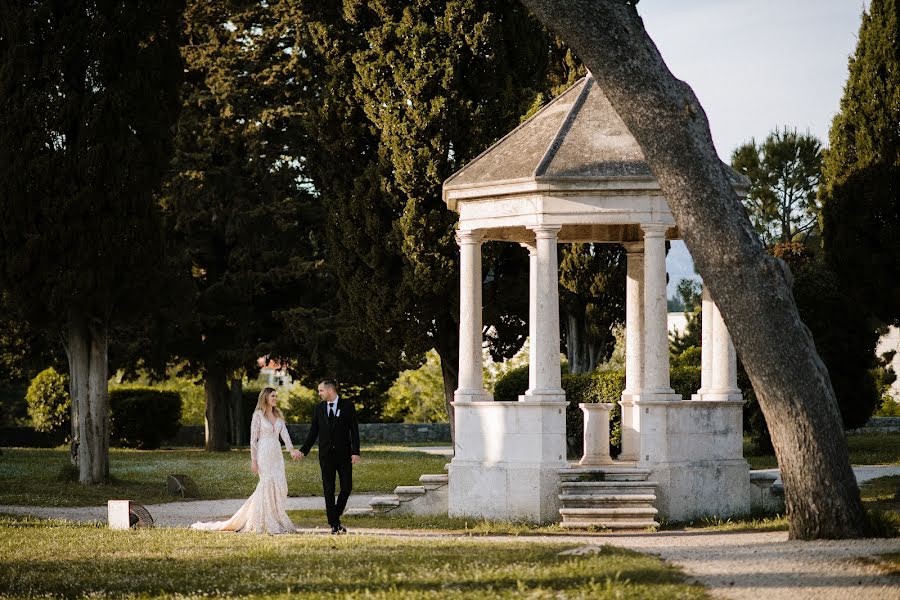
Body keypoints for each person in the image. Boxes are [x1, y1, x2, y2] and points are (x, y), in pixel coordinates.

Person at [190, 387, 300, 534]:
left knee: (280, 484)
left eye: (276, 396)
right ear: (265, 397)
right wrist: (253, 461)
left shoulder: (278, 415)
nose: (275, 398)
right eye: (273, 396)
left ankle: (276, 515)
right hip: (263, 454)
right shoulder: (258, 415)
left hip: (276, 455)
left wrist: (291, 450)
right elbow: (253, 440)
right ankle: (263, 520)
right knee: (266, 484)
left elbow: (285, 435)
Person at [298, 378, 360, 534]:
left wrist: (355, 452)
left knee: (347, 487)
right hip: (326, 456)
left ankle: (334, 516)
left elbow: (354, 430)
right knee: (328, 490)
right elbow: (313, 432)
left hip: (344, 454)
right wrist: (303, 450)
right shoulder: (319, 408)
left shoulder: (347, 405)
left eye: (321, 391)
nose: (319, 393)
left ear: (330, 390)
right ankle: (334, 524)